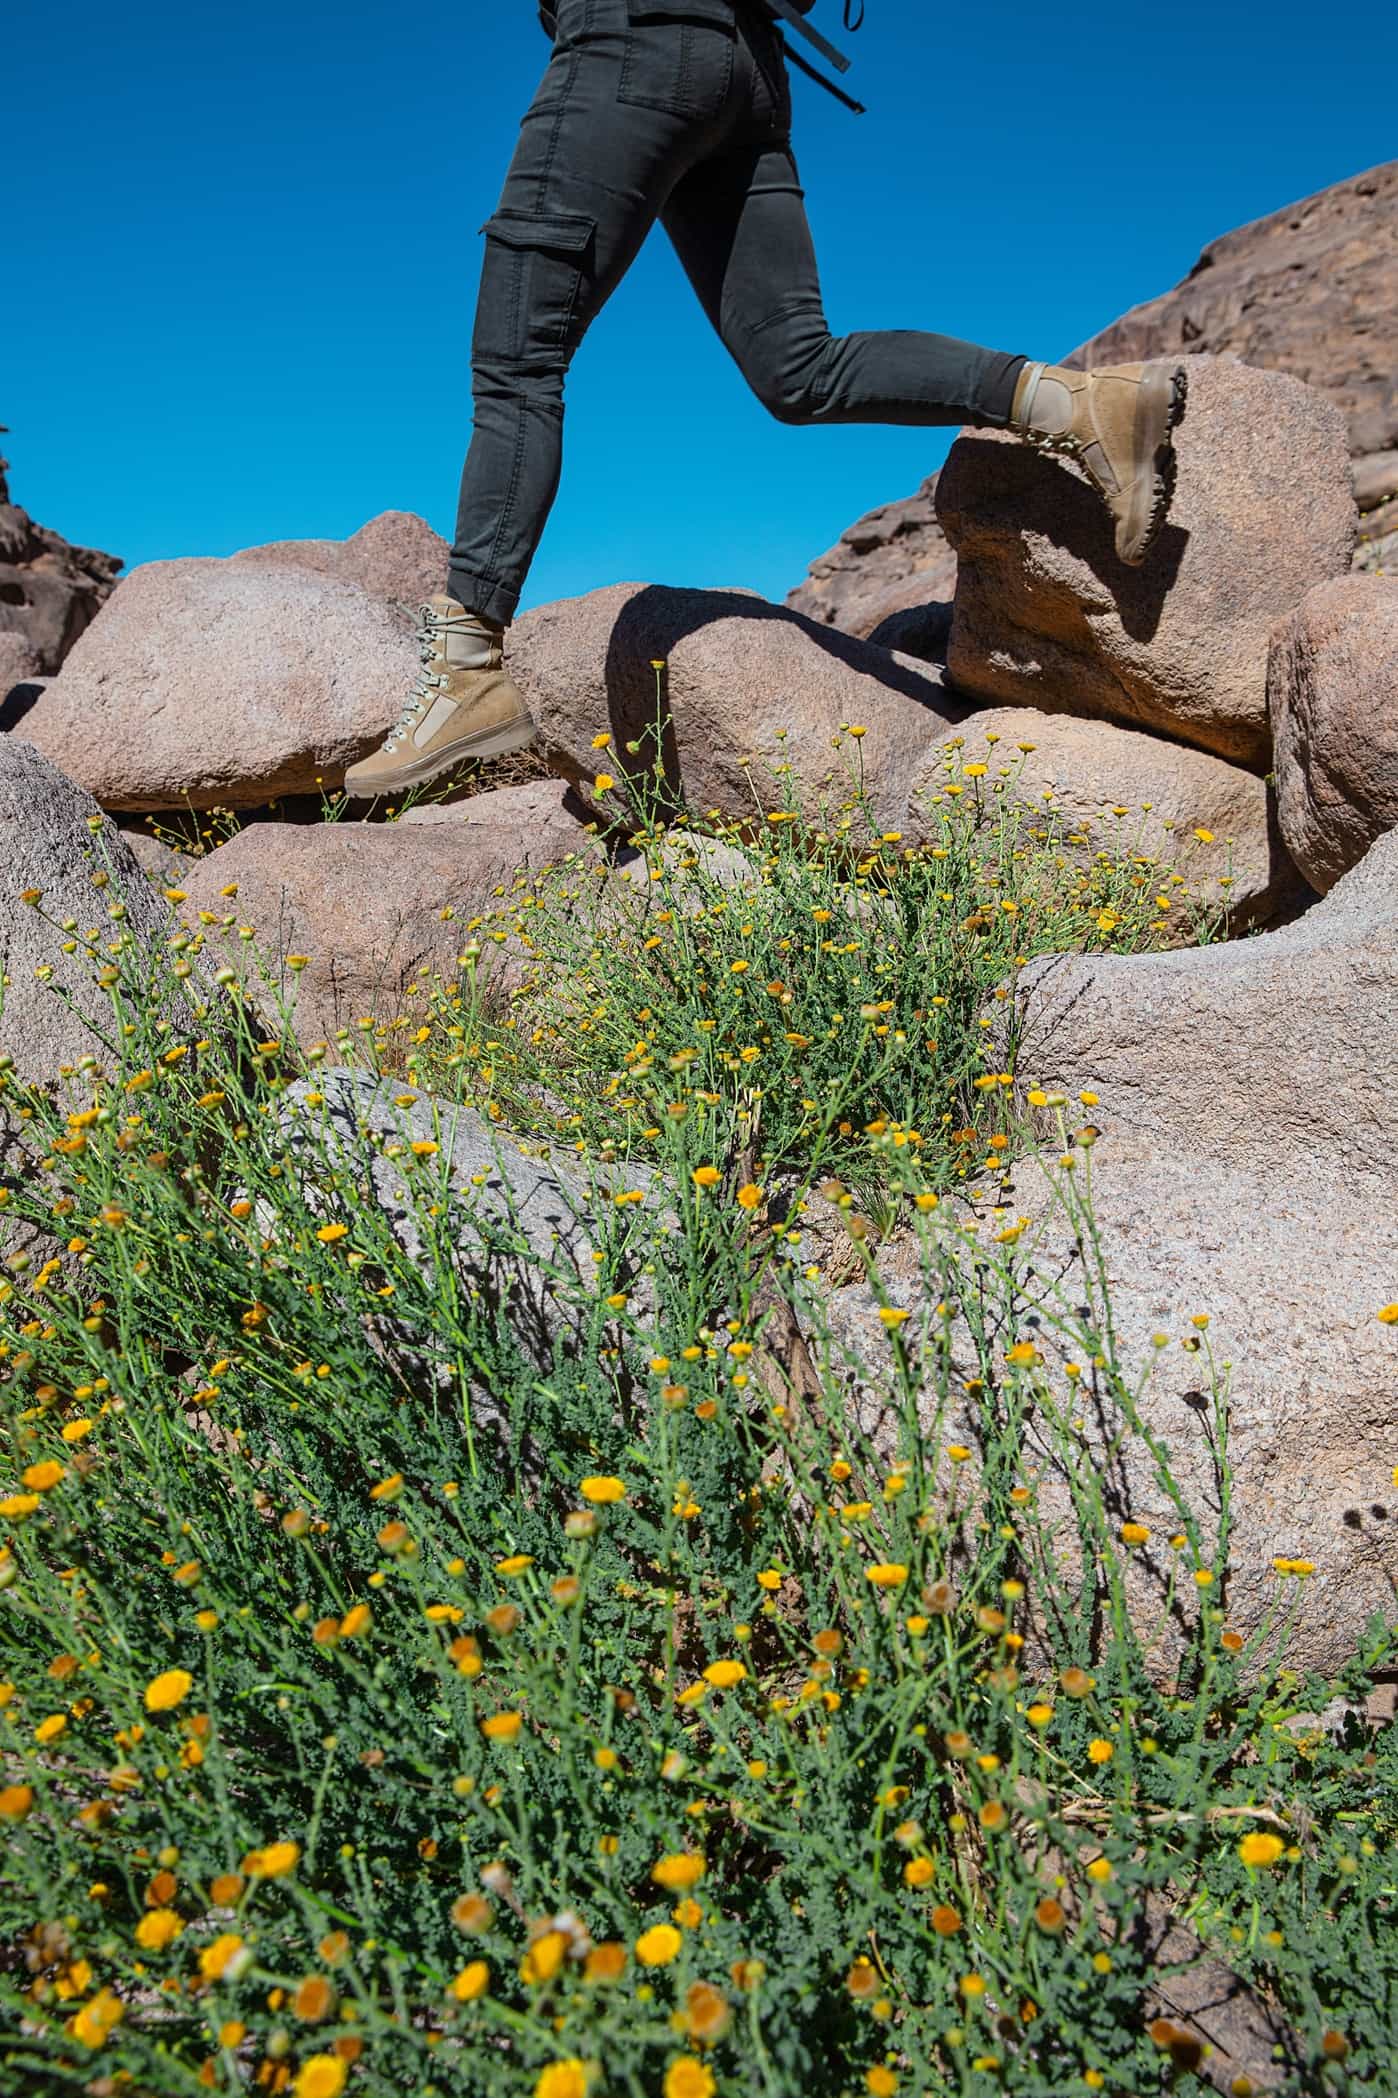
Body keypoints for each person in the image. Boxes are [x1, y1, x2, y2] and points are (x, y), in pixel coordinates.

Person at [345, 0, 1185, 799]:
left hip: (625, 45)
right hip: (746, 75)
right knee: (798, 365)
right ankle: (1079, 406)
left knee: (518, 366)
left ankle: (466, 665)